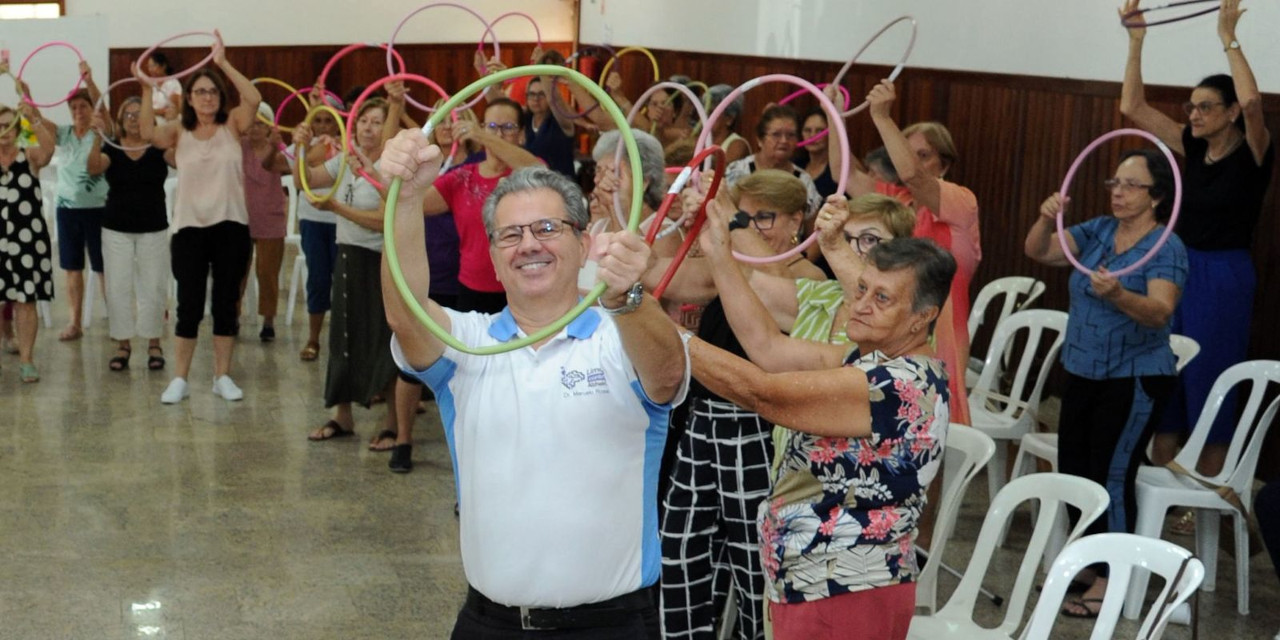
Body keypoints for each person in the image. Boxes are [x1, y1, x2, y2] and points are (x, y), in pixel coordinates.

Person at [381, 124, 688, 637]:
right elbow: (407, 316)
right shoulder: (470, 346)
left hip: (610, 625)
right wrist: (407, 197)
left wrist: (625, 297)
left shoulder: (624, 335)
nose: (528, 245)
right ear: (495, 260)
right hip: (489, 623)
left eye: (547, 228)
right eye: (510, 234)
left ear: (584, 242)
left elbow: (667, 374)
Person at [686, 226, 954, 640]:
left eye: (881, 298)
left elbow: (764, 394)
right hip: (816, 578)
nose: (860, 305)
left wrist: (662, 331)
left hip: (845, 589)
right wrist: (720, 254)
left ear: (924, 316)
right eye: (861, 289)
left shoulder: (895, 385)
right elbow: (768, 349)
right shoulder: (870, 361)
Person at [659, 170, 823, 640]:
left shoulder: (808, 280)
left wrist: (729, 215)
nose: (752, 227)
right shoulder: (728, 265)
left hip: (756, 430)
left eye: (763, 217)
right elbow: (662, 279)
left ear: (797, 221)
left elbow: (768, 272)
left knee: (754, 568)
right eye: (748, 216)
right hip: (701, 422)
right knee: (682, 551)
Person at [1024, 149, 1187, 618]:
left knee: (1113, 476)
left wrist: (1119, 296)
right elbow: (1040, 251)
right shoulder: (1097, 229)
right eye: (1114, 182)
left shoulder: (1166, 246)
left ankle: (1112, 577)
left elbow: (1160, 312)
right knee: (1078, 470)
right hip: (1082, 370)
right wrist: (1044, 217)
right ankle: (1090, 562)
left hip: (1135, 377)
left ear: (1156, 196)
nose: (1117, 191)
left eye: (1130, 185)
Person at [1119, 0, 1274, 479]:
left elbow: (1252, 102)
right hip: (1179, 266)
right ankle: (1163, 492)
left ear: (1229, 114)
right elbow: (1132, 106)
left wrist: (1228, 36)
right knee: (1169, 377)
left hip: (1225, 274)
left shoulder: (1254, 151)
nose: (1194, 113)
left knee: (1210, 380)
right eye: (1191, 106)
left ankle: (1205, 495)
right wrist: (1137, 39)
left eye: (1206, 106)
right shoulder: (1191, 145)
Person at [835, 80, 980, 428]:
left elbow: (912, 175)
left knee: (934, 431)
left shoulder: (962, 202)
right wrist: (834, 116)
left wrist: (882, 117)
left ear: (944, 164)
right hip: (892, 332)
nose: (913, 161)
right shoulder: (899, 202)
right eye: (907, 150)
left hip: (940, 336)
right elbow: (847, 172)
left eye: (923, 154)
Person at [137, 36, 262, 404]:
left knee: (225, 304)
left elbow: (252, 99)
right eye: (200, 92)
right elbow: (147, 133)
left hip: (231, 226)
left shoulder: (233, 124)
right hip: (190, 229)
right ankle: (180, 378)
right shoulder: (179, 129)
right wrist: (148, 89)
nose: (207, 97)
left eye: (212, 92)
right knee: (188, 305)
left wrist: (222, 63)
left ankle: (222, 376)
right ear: (189, 98)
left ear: (220, 97)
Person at [293, 98, 401, 450]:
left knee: (383, 340)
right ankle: (343, 415)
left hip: (379, 260)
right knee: (342, 336)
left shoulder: (389, 167)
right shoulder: (344, 160)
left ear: (387, 128)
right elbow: (304, 180)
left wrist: (337, 206)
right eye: (363, 121)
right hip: (348, 255)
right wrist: (300, 147)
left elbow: (385, 222)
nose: (368, 128)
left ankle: (393, 424)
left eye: (376, 122)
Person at [417, 97, 543, 313]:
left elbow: (539, 169)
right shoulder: (463, 177)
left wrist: (483, 135)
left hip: (523, 288)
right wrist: (375, 175)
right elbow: (413, 204)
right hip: (471, 292)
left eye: (508, 127)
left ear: (521, 135)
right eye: (492, 126)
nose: (499, 133)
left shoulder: (527, 173)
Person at [88, 96, 175, 372]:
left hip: (154, 227)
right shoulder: (112, 148)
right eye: (129, 114)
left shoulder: (159, 147)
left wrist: (177, 127)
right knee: (118, 287)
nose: (134, 119)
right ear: (121, 120)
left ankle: (154, 343)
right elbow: (92, 168)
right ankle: (123, 344)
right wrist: (95, 138)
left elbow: (182, 160)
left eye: (140, 114)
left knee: (154, 286)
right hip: (116, 228)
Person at [34, 63, 106, 342]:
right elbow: (38, 120)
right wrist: (25, 93)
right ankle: (74, 323)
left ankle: (116, 321)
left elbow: (103, 106)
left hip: (98, 209)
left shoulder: (101, 131)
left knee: (103, 268)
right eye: (73, 107)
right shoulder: (64, 133)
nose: (78, 111)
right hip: (67, 211)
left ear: (91, 108)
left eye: (83, 106)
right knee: (72, 268)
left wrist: (90, 80)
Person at [0, 100, 56, 383]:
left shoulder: (28, 153)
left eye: (9, 124)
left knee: (26, 300)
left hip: (27, 241)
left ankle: (26, 360)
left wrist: (32, 120)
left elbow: (47, 152)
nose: (4, 131)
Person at [291, 95, 344, 362]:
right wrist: (312, 147)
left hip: (343, 222)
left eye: (329, 120)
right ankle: (313, 339)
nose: (323, 126)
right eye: (319, 120)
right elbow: (299, 175)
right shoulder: (303, 143)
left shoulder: (347, 144)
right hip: (313, 221)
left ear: (338, 123)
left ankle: (342, 341)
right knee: (318, 279)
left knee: (343, 283)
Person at [240, 102, 290, 342]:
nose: (255, 129)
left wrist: (274, 145)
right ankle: (232, 316)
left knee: (267, 272)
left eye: (261, 124)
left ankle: (268, 320)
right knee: (236, 271)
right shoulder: (238, 147)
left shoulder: (279, 150)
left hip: (271, 219)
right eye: (252, 123)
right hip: (240, 218)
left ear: (270, 127)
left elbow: (277, 164)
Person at [723, 105, 823, 217]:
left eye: (791, 135)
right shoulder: (738, 170)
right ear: (760, 139)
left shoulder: (803, 181)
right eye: (776, 134)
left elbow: (812, 230)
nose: (784, 140)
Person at [144, 51, 182, 124]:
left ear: (163, 66)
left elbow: (174, 110)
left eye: (153, 66)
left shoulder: (173, 83)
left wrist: (153, 111)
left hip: (168, 124)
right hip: (152, 122)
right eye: (149, 66)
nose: (150, 69)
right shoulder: (150, 84)